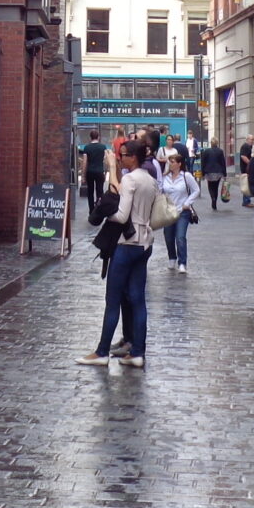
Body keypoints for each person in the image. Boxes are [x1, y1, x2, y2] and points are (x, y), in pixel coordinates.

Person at [77, 140, 157, 368]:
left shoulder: (131, 179)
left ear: (133, 157)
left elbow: (122, 216)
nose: (120, 158)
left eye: (123, 155)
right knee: (138, 300)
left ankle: (102, 352)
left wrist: (106, 215)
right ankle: (138, 352)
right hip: (145, 243)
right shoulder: (150, 180)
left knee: (112, 300)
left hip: (126, 243)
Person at [158, 151, 198, 274]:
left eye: (173, 162)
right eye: (169, 162)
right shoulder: (165, 177)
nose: (170, 164)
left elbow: (196, 190)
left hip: (182, 211)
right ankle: (172, 257)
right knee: (168, 236)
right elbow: (161, 191)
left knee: (180, 237)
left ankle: (182, 262)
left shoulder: (186, 176)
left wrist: (188, 203)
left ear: (179, 164)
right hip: (168, 212)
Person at [78, 130, 109, 209]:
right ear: (98, 137)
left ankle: (91, 211)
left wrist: (83, 176)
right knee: (100, 191)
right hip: (99, 172)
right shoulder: (103, 147)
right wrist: (105, 173)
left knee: (90, 192)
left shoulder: (87, 147)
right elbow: (106, 161)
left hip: (90, 172)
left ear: (90, 137)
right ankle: (99, 210)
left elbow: (84, 162)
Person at [199, 139, 229, 209]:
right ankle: (215, 198)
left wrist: (202, 173)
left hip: (209, 171)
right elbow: (223, 162)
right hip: (218, 172)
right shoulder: (220, 151)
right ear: (217, 143)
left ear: (211, 143)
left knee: (210, 186)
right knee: (216, 187)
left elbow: (203, 163)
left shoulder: (206, 151)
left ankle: (213, 198)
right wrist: (224, 173)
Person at [237, 138, 254, 208]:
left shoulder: (249, 147)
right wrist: (251, 164)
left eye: (253, 139)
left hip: (247, 169)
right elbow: (243, 156)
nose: (252, 141)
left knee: (247, 184)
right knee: (246, 185)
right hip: (246, 169)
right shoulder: (245, 146)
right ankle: (246, 201)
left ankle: (247, 200)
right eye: (251, 139)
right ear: (247, 140)